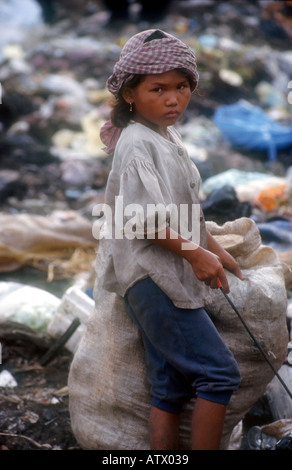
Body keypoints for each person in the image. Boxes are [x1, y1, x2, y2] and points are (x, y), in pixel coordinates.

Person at [98, 29, 243, 450]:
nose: (172, 99)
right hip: (151, 278)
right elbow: (141, 220)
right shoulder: (137, 145)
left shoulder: (165, 136)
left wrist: (216, 250)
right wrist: (195, 255)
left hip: (164, 273)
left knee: (170, 385)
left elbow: (183, 207)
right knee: (220, 374)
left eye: (181, 87)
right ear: (129, 93)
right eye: (157, 89)